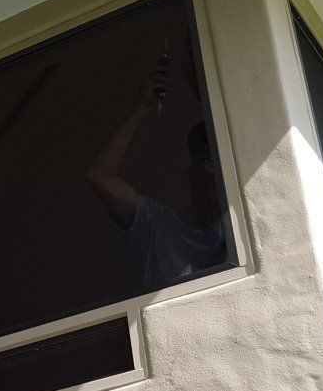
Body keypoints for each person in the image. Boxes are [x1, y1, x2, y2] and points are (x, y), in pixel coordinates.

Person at [85, 56, 227, 285]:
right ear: (190, 172)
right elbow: (100, 176)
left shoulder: (239, 223)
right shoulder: (158, 223)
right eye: (206, 158)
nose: (213, 169)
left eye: (219, 160)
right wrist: (141, 110)